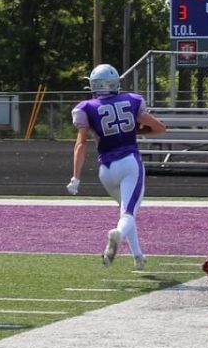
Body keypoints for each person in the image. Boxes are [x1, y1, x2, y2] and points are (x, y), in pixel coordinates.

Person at [66, 63, 167, 270]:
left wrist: (75, 178)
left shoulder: (86, 108)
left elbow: (80, 145)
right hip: (129, 163)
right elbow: (159, 128)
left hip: (106, 170)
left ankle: (138, 257)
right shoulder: (132, 100)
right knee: (128, 214)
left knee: (126, 212)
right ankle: (117, 236)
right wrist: (133, 131)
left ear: (94, 85)